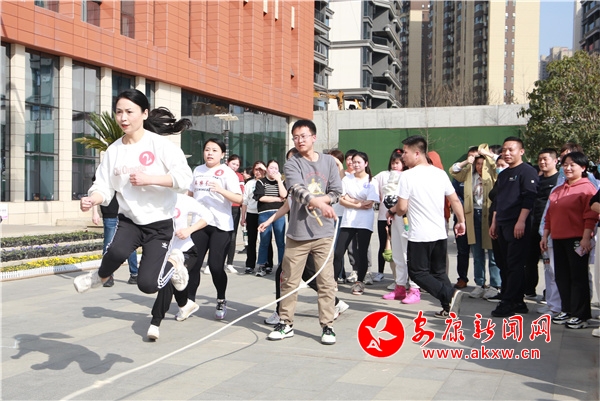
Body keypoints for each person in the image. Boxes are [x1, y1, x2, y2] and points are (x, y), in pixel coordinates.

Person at [74, 89, 192, 297]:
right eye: (119, 112)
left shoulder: (161, 145)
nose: (123, 118)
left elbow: (184, 179)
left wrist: (150, 179)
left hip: (159, 224)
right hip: (130, 221)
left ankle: (175, 262)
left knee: (148, 285)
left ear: (144, 113)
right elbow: (104, 186)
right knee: (115, 252)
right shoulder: (113, 151)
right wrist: (93, 199)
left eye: (129, 112)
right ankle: (101, 276)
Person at [267, 119, 342, 345]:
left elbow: (337, 192)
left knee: (326, 282)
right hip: (297, 234)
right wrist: (318, 203)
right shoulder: (292, 164)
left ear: (314, 137)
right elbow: (298, 190)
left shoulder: (329, 162)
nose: (299, 140)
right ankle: (286, 323)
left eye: (303, 136)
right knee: (289, 281)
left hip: (323, 234)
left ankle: (327, 326)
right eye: (296, 137)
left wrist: (324, 201)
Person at [388, 135, 466, 318]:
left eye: (405, 152)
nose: (403, 156)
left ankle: (450, 294)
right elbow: (454, 200)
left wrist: (392, 210)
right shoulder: (440, 173)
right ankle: (449, 308)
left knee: (417, 273)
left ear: (417, 153)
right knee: (438, 273)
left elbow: (402, 207)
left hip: (419, 235)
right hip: (439, 233)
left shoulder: (407, 176)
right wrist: (461, 221)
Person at [187, 138, 243, 320]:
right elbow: (190, 194)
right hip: (199, 224)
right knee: (193, 265)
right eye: (207, 149)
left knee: (215, 266)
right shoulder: (198, 170)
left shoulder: (227, 173)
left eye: (214, 150)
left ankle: (221, 299)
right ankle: (189, 302)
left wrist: (221, 190)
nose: (210, 153)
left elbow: (239, 198)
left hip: (221, 225)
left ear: (222, 154)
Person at [540, 152, 598, 329]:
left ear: (583, 167)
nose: (568, 168)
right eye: (565, 165)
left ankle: (581, 314)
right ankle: (567, 309)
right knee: (562, 276)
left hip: (576, 239)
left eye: (573, 165)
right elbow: (549, 215)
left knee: (578, 277)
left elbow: (591, 216)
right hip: (558, 238)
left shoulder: (587, 188)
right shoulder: (558, 189)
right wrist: (545, 235)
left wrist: (586, 238)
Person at [147, 193, 214, 340]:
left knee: (168, 279)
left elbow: (208, 216)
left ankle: (155, 323)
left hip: (185, 251)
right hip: (163, 252)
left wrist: (189, 230)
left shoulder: (184, 200)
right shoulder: (152, 200)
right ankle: (185, 304)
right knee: (176, 281)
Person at [489, 136, 538, 317]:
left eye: (511, 149)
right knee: (504, 263)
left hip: (517, 224)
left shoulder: (527, 171)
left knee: (515, 264)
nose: (507, 153)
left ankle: (508, 301)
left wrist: (521, 221)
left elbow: (529, 198)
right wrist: (494, 222)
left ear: (521, 151)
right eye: (504, 150)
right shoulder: (504, 174)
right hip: (502, 223)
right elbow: (498, 200)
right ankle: (518, 301)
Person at [449, 145, 499, 295]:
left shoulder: (493, 174)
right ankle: (479, 283)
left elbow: (502, 165)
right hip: (473, 215)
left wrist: (488, 155)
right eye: (477, 163)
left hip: (489, 215)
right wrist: (467, 162)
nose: (479, 167)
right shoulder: (469, 175)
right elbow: (453, 170)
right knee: (477, 253)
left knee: (492, 253)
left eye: (482, 164)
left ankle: (495, 285)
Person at [333, 151, 379, 295]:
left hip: (364, 222)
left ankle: (359, 282)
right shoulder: (347, 179)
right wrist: (358, 203)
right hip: (348, 221)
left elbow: (369, 203)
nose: (356, 165)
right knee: (338, 251)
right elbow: (341, 200)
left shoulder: (372, 181)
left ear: (366, 163)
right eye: (354, 162)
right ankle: (333, 280)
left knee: (362, 252)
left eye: (359, 162)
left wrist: (351, 200)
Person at [524, 149, 559, 303]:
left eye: (545, 159)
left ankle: (550, 294)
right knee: (530, 260)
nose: (542, 162)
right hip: (533, 225)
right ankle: (529, 290)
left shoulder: (559, 181)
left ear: (555, 161)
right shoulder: (536, 180)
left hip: (550, 227)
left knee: (550, 263)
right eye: (540, 159)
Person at [92, 192, 139, 287]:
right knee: (108, 245)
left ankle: (134, 274)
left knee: (130, 243)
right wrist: (95, 212)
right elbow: (96, 191)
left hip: (126, 214)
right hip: (109, 213)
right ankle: (108, 276)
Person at [373, 149, 403, 283]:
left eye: (398, 163)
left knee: (398, 247)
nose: (395, 165)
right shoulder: (383, 175)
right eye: (393, 162)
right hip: (383, 217)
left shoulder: (406, 176)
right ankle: (380, 272)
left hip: (400, 217)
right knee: (384, 244)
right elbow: (373, 186)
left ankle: (399, 277)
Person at [254, 159, 287, 276]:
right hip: (264, 213)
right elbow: (261, 197)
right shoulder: (261, 182)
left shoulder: (281, 182)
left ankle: (282, 266)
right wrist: (277, 199)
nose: (273, 170)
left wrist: (279, 180)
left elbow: (284, 195)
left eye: (276, 168)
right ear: (267, 169)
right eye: (271, 168)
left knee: (280, 241)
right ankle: (262, 266)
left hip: (279, 214)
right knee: (264, 241)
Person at [240, 161, 273, 274]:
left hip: (264, 212)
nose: (258, 172)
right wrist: (243, 217)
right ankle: (250, 264)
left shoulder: (268, 182)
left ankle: (268, 263)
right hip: (251, 213)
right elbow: (245, 201)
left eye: (260, 169)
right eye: (256, 169)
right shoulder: (249, 184)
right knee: (251, 240)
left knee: (266, 239)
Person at [224, 155, 245, 273]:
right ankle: (213, 263)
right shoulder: (220, 172)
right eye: (233, 163)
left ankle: (230, 263)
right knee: (218, 235)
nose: (235, 166)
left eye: (237, 165)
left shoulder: (239, 176)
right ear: (228, 162)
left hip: (235, 208)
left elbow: (242, 193)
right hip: (222, 207)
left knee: (232, 236)